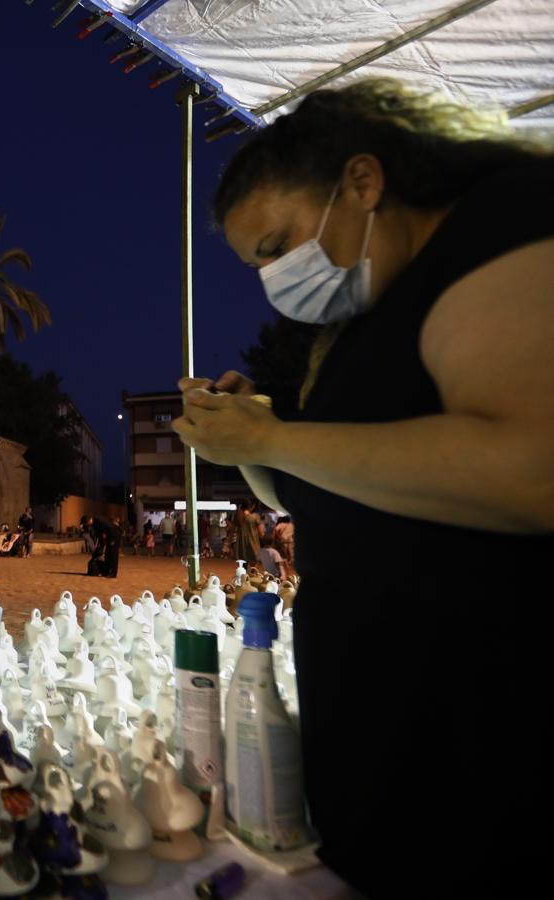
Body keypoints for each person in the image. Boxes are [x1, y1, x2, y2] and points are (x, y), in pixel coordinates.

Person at [172, 78, 554, 895]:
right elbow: (314, 494)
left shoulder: (507, 223)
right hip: (388, 762)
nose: (273, 276)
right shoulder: (362, 320)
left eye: (276, 244)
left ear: (363, 183)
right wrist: (248, 448)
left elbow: (530, 466)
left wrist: (276, 436)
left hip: (487, 762)